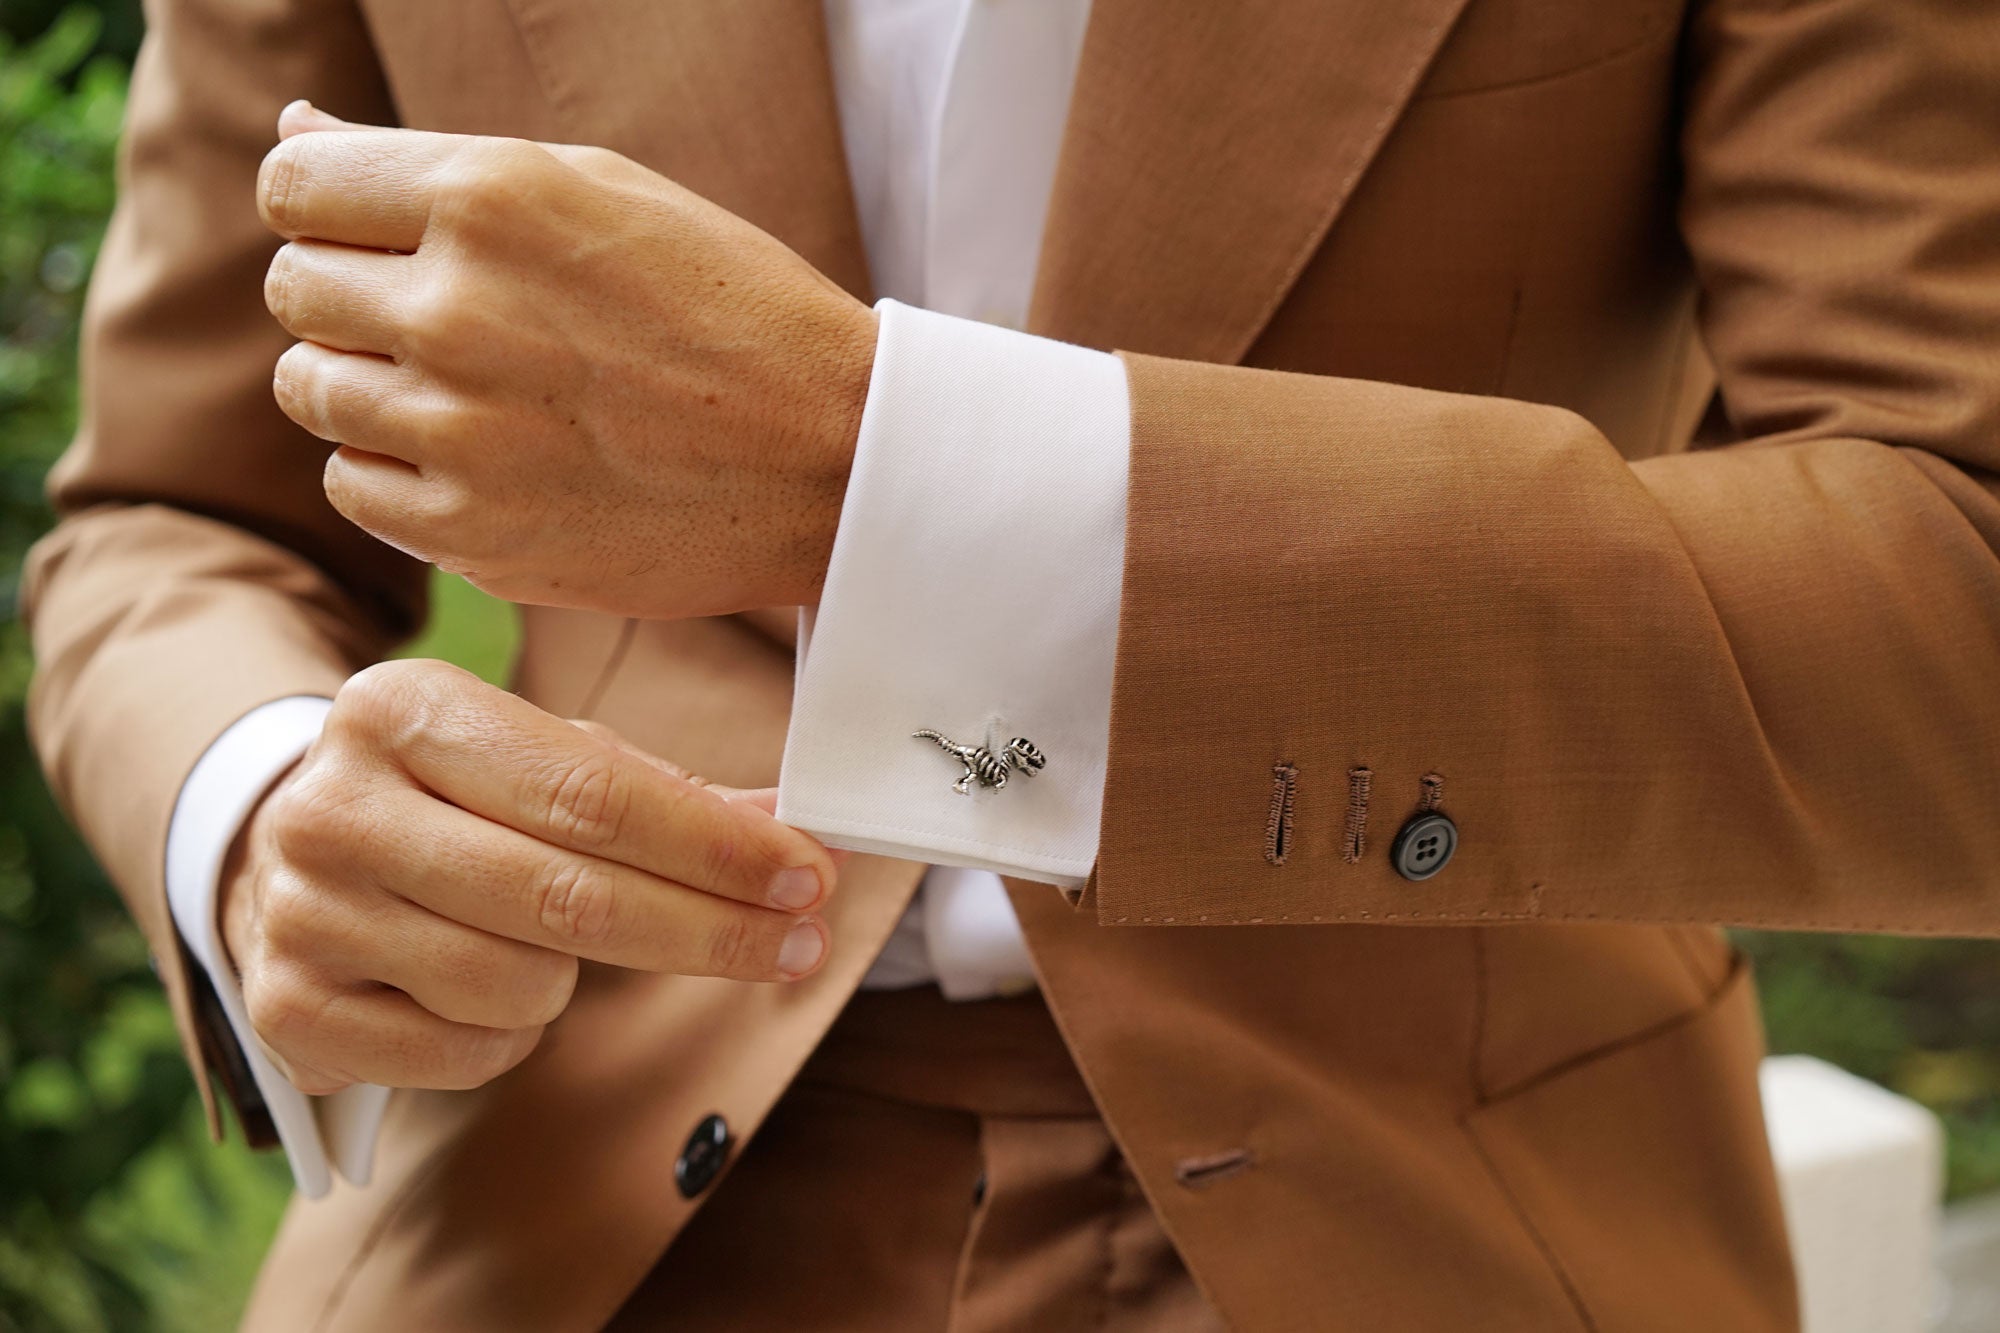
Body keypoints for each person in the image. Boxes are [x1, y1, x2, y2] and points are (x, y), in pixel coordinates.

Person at [24, 0, 2000, 1328]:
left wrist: (876, 469)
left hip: (1429, 1200)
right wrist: (264, 800)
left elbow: (1957, 594)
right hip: (554, 1190)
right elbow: (171, 521)